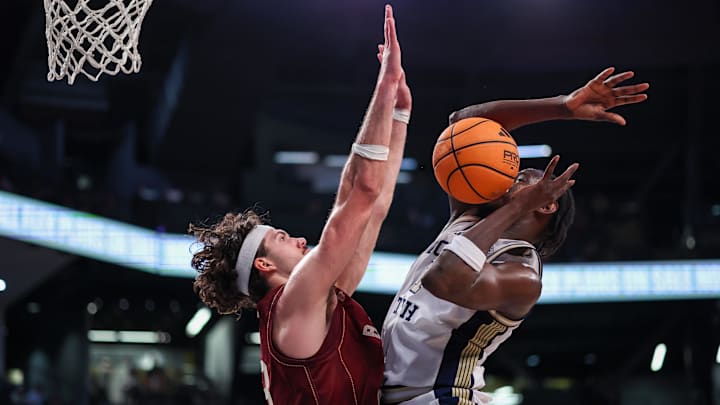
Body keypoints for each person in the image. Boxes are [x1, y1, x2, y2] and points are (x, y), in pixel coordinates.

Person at [381, 67, 649, 404]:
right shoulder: (470, 215)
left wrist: (515, 208)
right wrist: (563, 106)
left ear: (546, 204)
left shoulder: (522, 276)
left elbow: (444, 280)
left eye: (524, 176)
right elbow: (461, 125)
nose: (511, 176)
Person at [190, 5, 411, 404]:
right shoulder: (295, 304)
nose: (300, 239)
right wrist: (385, 88)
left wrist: (398, 114)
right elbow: (361, 195)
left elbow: (370, 205)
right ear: (264, 264)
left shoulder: (315, 300)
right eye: (281, 236)